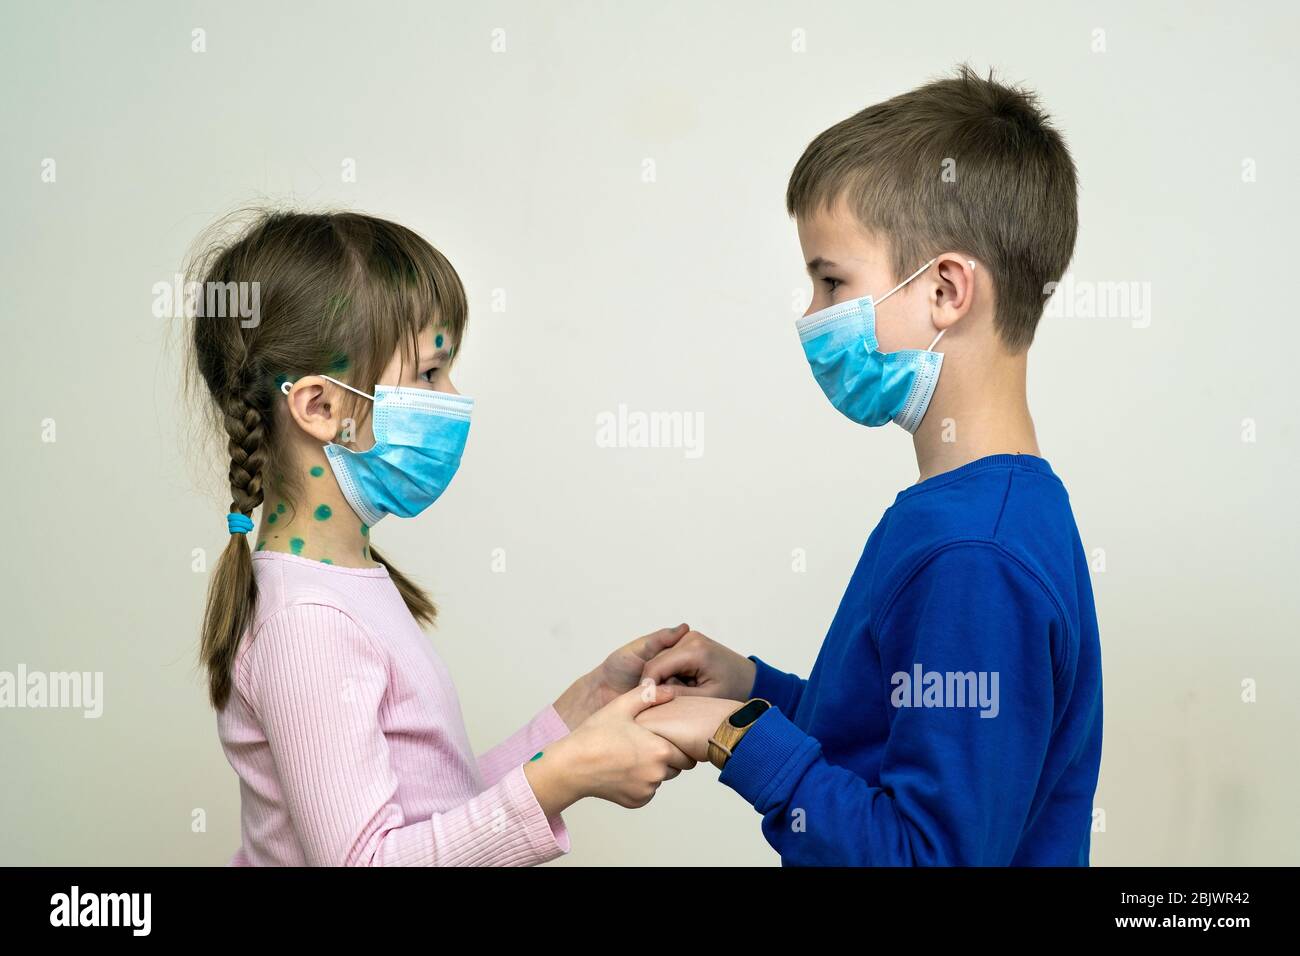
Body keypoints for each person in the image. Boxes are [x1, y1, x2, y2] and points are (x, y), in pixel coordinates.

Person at [636, 65, 1104, 866]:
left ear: (947, 290)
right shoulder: (978, 517)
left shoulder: (973, 558)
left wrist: (732, 738)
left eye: (831, 281)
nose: (812, 316)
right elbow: (889, 740)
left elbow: (928, 857)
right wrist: (753, 688)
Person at [187, 209, 693, 866]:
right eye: (429, 373)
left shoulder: (340, 587)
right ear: (320, 408)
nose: (452, 396)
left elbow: (431, 810)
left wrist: (574, 718)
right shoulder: (309, 623)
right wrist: (564, 777)